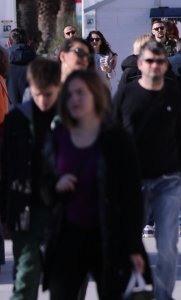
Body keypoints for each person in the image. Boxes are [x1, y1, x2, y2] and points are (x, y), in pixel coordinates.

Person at [42, 70, 148, 300]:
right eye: (69, 94)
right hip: (67, 235)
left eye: (81, 93)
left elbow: (131, 197)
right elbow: (44, 184)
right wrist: (56, 186)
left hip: (109, 236)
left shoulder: (116, 138)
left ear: (95, 96)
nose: (75, 99)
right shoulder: (58, 136)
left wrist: (133, 245)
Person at [111, 41, 181, 300]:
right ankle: (128, 290)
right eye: (149, 61)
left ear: (165, 65)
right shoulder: (126, 94)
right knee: (127, 241)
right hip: (132, 182)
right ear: (140, 64)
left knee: (167, 245)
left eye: (159, 61)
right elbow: (111, 136)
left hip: (168, 180)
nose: (154, 66)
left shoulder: (173, 94)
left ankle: (163, 295)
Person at [0, 58, 60, 300]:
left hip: (64, 210)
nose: (43, 101)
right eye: (38, 94)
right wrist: (4, 215)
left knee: (64, 277)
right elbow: (5, 169)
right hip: (25, 207)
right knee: (26, 274)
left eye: (49, 94)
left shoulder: (70, 118)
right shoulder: (17, 120)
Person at [6, 28, 36, 106]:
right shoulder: (40, 64)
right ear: (29, 43)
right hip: (32, 114)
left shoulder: (3, 65)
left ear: (9, 43)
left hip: (6, 114)